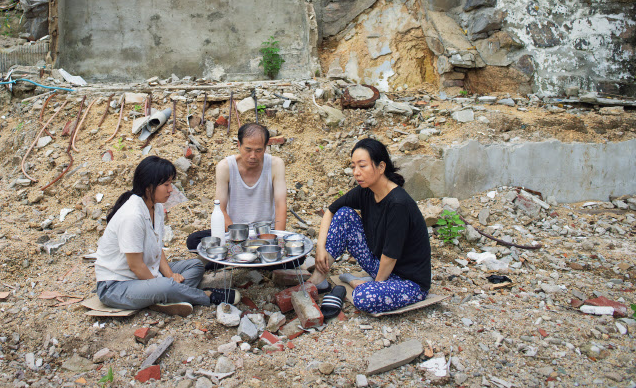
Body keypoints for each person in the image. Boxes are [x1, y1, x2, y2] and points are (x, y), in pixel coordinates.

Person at [95, 156, 238, 317]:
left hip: (147, 273)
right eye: (166, 185)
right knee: (166, 286)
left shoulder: (155, 207)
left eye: (171, 184)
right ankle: (207, 296)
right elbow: (135, 265)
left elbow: (157, 249)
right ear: (149, 186)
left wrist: (170, 275)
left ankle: (166, 298)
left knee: (196, 266)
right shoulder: (132, 216)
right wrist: (164, 282)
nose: (171, 190)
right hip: (117, 285)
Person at [308, 138, 431, 315]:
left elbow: (390, 257)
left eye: (362, 166)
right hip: (380, 265)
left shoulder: (398, 204)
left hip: (408, 281)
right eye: (353, 167)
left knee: (363, 297)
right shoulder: (367, 190)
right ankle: (318, 279)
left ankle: (362, 283)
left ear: (381, 167)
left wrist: (376, 285)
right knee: (344, 215)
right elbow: (331, 210)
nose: (356, 173)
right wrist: (320, 247)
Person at [186, 122, 287, 252]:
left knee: (296, 257)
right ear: (239, 145)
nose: (253, 156)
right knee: (194, 241)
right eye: (248, 149)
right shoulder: (226, 167)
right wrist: (239, 237)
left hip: (265, 231)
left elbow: (281, 205)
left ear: (266, 147)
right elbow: (220, 209)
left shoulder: (276, 165)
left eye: (258, 150)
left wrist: (276, 240)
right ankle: (251, 258)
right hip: (235, 230)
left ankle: (237, 258)